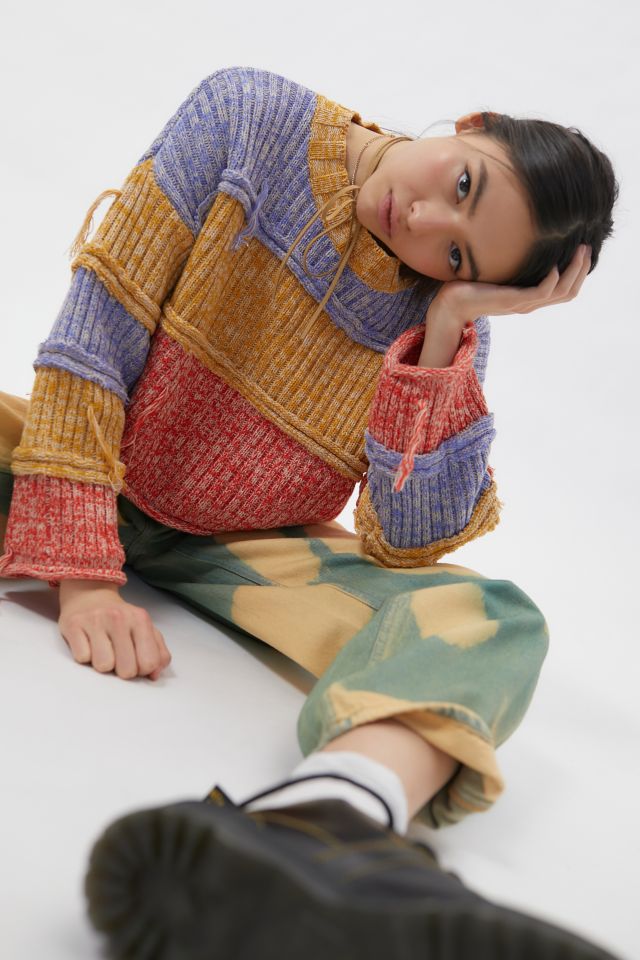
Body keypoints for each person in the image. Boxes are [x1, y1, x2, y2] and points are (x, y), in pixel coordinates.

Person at [0, 65, 620, 959]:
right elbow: (94, 339)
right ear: (472, 122)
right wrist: (84, 574)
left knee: (496, 621)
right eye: (462, 184)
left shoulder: (442, 319)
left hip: (246, 547)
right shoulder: (247, 117)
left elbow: (404, 543)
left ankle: (329, 821)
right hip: (89, 458)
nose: (425, 224)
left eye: (458, 257)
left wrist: (449, 325)